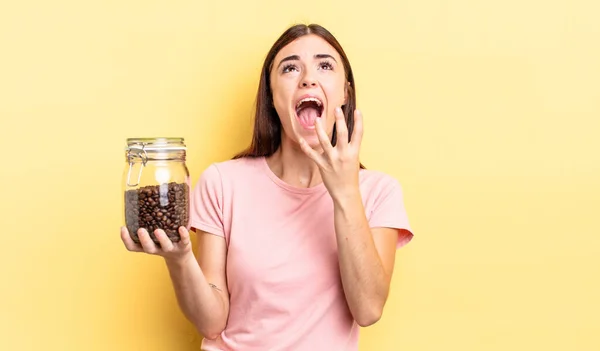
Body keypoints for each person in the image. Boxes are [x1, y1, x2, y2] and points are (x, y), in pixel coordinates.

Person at [121, 23, 414, 350]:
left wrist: (345, 192)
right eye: (290, 68)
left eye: (325, 65)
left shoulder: (378, 191)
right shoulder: (222, 182)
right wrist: (179, 260)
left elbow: (368, 309)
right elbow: (212, 322)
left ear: (344, 92)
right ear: (272, 96)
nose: (308, 77)